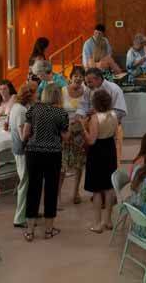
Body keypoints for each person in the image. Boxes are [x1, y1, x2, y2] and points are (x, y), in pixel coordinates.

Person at [21, 83, 70, 241]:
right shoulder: (61, 113)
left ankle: (29, 231)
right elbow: (65, 137)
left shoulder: (34, 109)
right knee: (51, 190)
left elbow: (26, 133)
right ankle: (48, 230)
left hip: (33, 153)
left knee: (33, 189)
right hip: (53, 154)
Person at [83, 89, 119, 233]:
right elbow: (116, 134)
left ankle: (97, 223)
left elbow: (91, 140)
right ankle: (108, 220)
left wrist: (83, 128)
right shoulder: (114, 115)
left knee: (97, 189)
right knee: (109, 187)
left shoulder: (95, 118)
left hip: (97, 152)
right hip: (110, 149)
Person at [8, 81, 36, 229]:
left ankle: (28, 212)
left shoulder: (18, 108)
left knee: (26, 182)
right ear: (29, 95)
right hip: (22, 151)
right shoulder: (20, 111)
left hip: (20, 150)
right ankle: (19, 218)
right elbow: (22, 135)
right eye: (35, 93)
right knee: (24, 183)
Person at [61, 69, 89, 205]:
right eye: (75, 76)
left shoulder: (86, 92)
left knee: (79, 164)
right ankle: (57, 194)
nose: (78, 78)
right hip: (65, 132)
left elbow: (88, 110)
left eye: (81, 76)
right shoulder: (63, 91)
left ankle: (75, 192)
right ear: (70, 77)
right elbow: (57, 110)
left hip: (80, 133)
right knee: (62, 164)